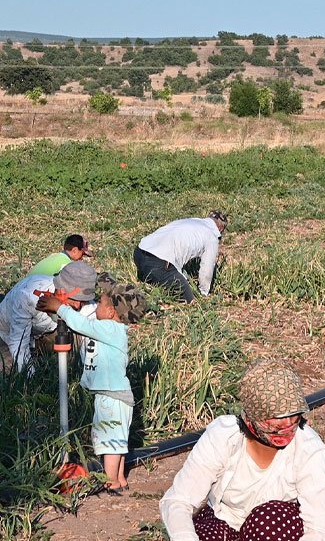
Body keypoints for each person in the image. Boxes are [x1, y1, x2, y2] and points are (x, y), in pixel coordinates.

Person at [161, 360, 325, 541]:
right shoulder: (223, 437)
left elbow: (318, 528)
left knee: (269, 522)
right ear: (252, 419)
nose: (287, 427)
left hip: (278, 533)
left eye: (293, 419)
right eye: (276, 422)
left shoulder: (309, 449)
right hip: (226, 521)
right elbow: (178, 501)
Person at [37, 280, 145, 492]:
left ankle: (111, 481)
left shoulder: (111, 328)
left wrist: (60, 307)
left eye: (100, 303)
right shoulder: (108, 328)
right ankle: (120, 479)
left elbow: (83, 325)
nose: (96, 306)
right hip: (111, 396)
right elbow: (80, 324)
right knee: (117, 442)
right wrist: (59, 310)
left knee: (111, 442)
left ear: (111, 311)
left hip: (111, 397)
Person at [0, 261, 97, 373]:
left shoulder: (86, 303)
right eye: (74, 299)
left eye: (83, 301)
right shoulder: (27, 297)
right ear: (60, 289)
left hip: (45, 333)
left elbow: (92, 335)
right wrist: (31, 379)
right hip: (8, 336)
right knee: (10, 371)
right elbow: (18, 342)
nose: (78, 305)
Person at [135, 211, 227, 303]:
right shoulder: (212, 237)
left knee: (157, 280)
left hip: (139, 253)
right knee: (189, 299)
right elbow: (207, 269)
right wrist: (203, 293)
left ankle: (150, 281)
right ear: (220, 228)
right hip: (158, 262)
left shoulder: (193, 221)